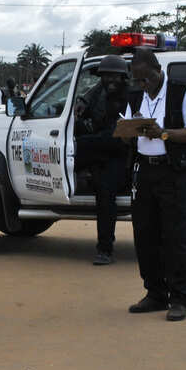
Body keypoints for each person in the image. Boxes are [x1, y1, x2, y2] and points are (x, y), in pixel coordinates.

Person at [124, 47, 186, 322]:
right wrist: (126, 133)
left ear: (158, 71)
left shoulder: (183, 93)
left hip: (172, 173)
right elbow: (128, 130)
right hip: (144, 171)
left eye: (146, 78)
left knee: (175, 237)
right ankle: (155, 294)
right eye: (138, 80)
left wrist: (164, 134)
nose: (142, 84)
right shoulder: (136, 97)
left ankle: (179, 298)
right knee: (145, 235)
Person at [74, 55, 129, 265]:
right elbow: (93, 93)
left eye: (114, 76)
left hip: (117, 151)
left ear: (123, 76)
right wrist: (81, 102)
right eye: (105, 76)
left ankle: (105, 249)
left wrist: (83, 141)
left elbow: (116, 136)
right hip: (98, 148)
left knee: (105, 193)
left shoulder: (129, 96)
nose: (109, 80)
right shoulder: (101, 91)